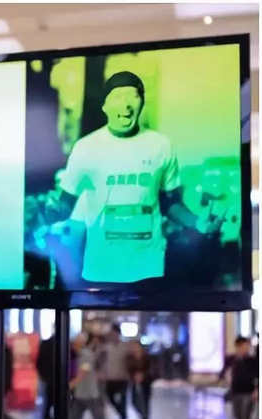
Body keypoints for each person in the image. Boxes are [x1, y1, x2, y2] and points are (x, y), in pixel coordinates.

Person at [38, 70, 224, 288]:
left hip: (148, 268)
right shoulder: (86, 147)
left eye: (132, 96)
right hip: (101, 269)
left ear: (141, 103)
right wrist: (51, 210)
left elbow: (169, 202)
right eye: (118, 97)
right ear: (105, 106)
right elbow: (64, 204)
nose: (125, 105)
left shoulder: (161, 146)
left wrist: (196, 222)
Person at [69, 333, 119, 419]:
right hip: (81, 393)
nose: (73, 346)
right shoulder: (80, 355)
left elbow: (84, 371)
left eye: (76, 343)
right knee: (74, 417)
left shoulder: (86, 355)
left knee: (98, 418)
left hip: (89, 393)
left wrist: (72, 384)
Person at [219, 336, 259, 419]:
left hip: (248, 393)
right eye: (244, 346)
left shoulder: (253, 361)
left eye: (248, 346)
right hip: (236, 393)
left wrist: (257, 389)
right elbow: (223, 372)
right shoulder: (232, 360)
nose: (246, 348)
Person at [104, 323, 131, 419]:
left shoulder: (125, 347)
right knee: (110, 398)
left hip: (122, 378)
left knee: (123, 401)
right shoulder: (107, 347)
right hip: (110, 378)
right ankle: (123, 415)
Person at [126, 340, 154, 419]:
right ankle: (142, 415)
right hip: (134, 381)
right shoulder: (130, 358)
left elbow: (151, 369)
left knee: (145, 401)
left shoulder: (146, 357)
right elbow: (129, 368)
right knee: (134, 401)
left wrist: (143, 375)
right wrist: (134, 376)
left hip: (146, 381)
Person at [36, 333, 55, 419]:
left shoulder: (45, 344)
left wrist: (44, 377)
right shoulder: (65, 343)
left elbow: (39, 363)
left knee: (48, 406)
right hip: (57, 381)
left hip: (49, 381)